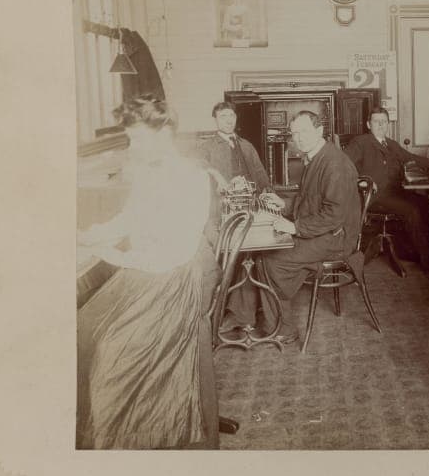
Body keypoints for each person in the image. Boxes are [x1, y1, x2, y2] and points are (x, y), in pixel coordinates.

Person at [76, 95, 220, 450]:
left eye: (138, 138)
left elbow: (176, 252)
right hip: (145, 271)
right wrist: (90, 235)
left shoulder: (192, 178)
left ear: (164, 133)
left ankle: (133, 439)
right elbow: (130, 218)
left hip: (173, 278)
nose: (133, 146)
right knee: (83, 329)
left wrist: (113, 256)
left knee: (108, 349)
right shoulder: (145, 172)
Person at [256, 111, 362, 344]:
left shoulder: (335, 164)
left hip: (336, 239)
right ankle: (275, 321)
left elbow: (333, 215)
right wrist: (284, 205)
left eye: (304, 131)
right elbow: (311, 201)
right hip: (323, 232)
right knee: (265, 255)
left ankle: (283, 328)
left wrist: (294, 227)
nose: (299, 138)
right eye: (294, 133)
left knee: (272, 260)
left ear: (319, 130)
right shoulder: (316, 157)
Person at [198, 101, 284, 333]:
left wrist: (269, 194)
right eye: (224, 116)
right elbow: (197, 165)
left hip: (248, 209)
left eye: (232, 116)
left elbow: (260, 174)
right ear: (215, 119)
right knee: (231, 253)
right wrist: (216, 175)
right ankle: (235, 312)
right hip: (218, 214)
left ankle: (246, 312)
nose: (229, 120)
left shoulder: (246, 145)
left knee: (255, 250)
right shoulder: (207, 146)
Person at [344, 107, 429, 273]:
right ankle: (428, 263)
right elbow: (343, 165)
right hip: (373, 197)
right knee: (412, 210)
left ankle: (418, 251)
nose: (381, 125)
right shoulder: (361, 142)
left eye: (384, 122)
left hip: (393, 193)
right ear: (368, 124)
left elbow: (411, 158)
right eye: (376, 122)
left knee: (424, 203)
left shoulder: (391, 144)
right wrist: (363, 182)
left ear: (388, 124)